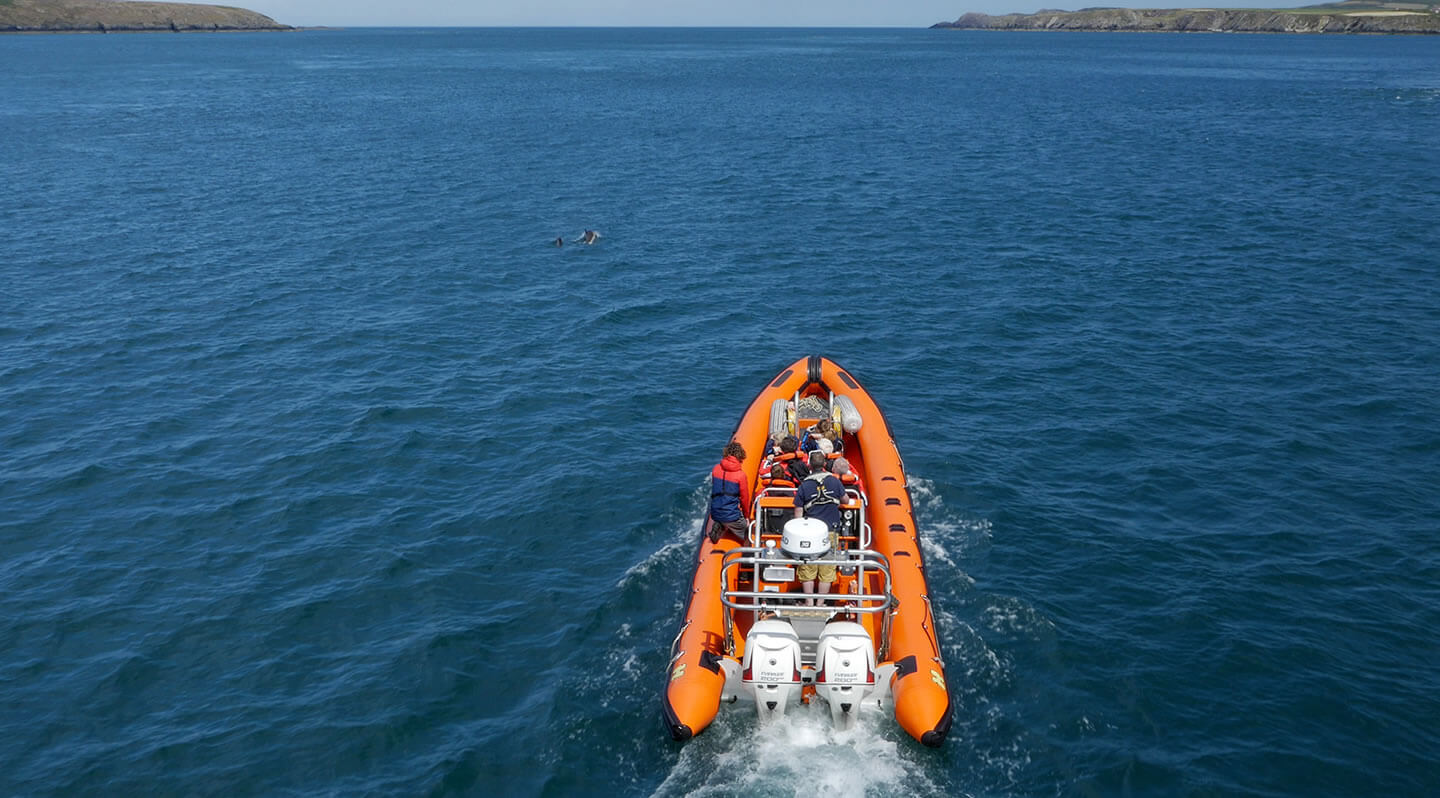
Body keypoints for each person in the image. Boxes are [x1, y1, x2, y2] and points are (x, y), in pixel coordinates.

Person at [793, 450, 845, 604]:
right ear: (824, 464)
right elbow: (846, 500)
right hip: (831, 531)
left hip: (810, 534)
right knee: (827, 569)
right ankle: (820, 604)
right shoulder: (835, 481)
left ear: (809, 464)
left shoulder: (804, 485)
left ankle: (809, 603)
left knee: (807, 568)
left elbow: (798, 512)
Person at [707, 441, 752, 544]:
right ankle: (748, 550)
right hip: (732, 517)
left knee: (725, 513)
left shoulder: (716, 469)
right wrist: (746, 517)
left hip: (715, 513)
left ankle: (721, 525)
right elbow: (745, 499)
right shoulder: (740, 475)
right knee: (749, 533)